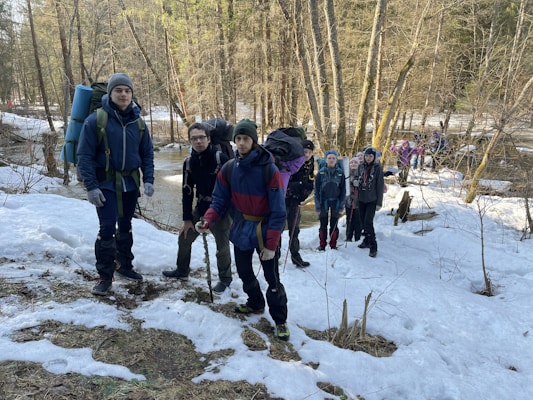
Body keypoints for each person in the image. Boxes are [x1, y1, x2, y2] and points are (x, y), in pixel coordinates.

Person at [195, 119, 290, 341]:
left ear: (254, 141)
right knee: (245, 272)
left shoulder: (270, 170)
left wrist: (271, 245)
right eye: (238, 138)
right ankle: (256, 303)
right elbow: (219, 201)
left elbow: (279, 211)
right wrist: (207, 221)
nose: (241, 143)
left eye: (245, 138)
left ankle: (280, 319)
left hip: (265, 230)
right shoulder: (229, 169)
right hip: (240, 229)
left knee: (272, 277)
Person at [77, 72, 155, 295]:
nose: (123, 94)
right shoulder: (96, 120)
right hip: (106, 184)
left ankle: (125, 265)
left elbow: (147, 153)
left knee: (126, 225)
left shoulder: (138, 123)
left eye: (127, 90)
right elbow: (84, 156)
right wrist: (91, 187)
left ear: (132, 94)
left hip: (130, 183)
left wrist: (148, 179)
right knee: (107, 227)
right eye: (118, 90)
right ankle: (104, 276)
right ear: (110, 93)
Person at [162, 122, 232, 294]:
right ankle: (182, 270)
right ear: (190, 141)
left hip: (221, 210)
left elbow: (232, 188)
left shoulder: (220, 159)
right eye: (194, 138)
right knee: (184, 237)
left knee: (221, 246)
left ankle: (225, 278)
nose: (198, 141)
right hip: (201, 207)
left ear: (208, 139)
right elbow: (187, 192)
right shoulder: (189, 162)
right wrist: (187, 219)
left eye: (202, 137)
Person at [285, 139, 315, 267]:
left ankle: (296, 257)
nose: (306, 154)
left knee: (294, 229)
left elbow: (310, 184)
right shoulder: (293, 162)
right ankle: (275, 254)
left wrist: (304, 193)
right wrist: (298, 186)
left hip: (297, 201)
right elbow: (285, 180)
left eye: (309, 152)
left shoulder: (311, 164)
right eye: (304, 152)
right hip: (285, 199)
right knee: (278, 227)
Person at [314, 150, 346, 251]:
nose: (331, 160)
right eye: (329, 158)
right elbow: (316, 191)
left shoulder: (341, 174)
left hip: (336, 202)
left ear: (336, 160)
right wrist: (318, 206)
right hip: (323, 202)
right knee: (323, 224)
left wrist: (341, 206)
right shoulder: (320, 173)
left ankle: (333, 245)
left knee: (334, 224)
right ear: (326, 160)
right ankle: (322, 245)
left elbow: (343, 191)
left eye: (333, 158)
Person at [357, 147, 384, 258]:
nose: (368, 158)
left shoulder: (377, 168)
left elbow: (380, 186)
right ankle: (367, 240)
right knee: (362, 222)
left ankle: (373, 245)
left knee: (368, 222)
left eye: (370, 156)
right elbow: (358, 178)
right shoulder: (361, 167)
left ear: (374, 157)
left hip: (372, 199)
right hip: (361, 198)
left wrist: (379, 202)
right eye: (366, 156)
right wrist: (355, 182)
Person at [345, 157, 362, 242]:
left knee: (357, 220)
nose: (353, 164)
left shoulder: (361, 173)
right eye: (351, 163)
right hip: (349, 201)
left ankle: (357, 237)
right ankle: (348, 236)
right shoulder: (347, 174)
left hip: (358, 201)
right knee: (349, 219)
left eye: (355, 163)